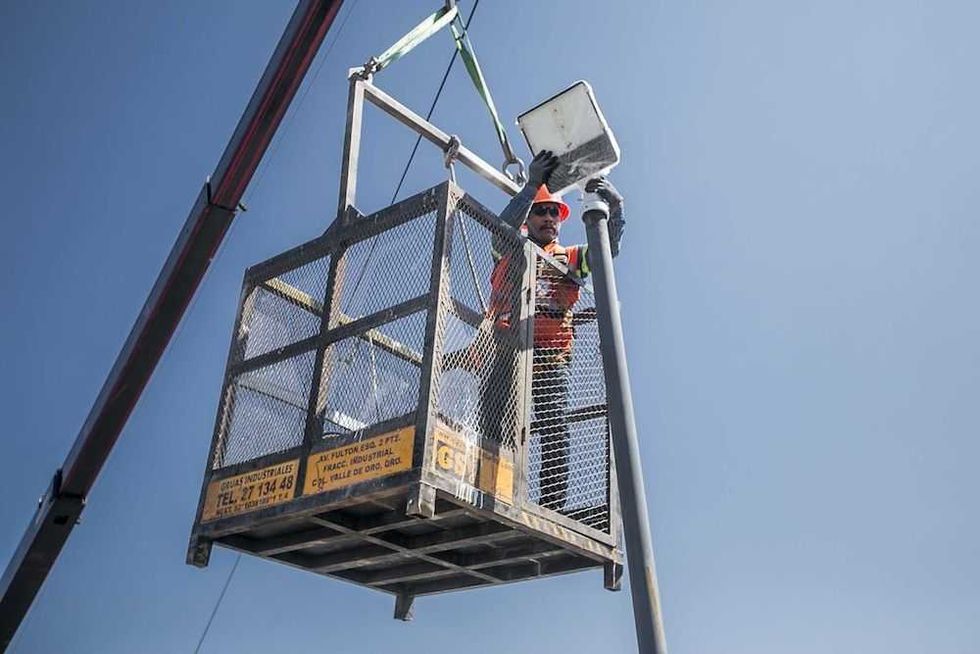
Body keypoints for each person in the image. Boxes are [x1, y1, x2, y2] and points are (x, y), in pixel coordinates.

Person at [478, 150, 625, 512]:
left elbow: (608, 252)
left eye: (553, 214)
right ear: (528, 219)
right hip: (506, 351)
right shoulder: (511, 249)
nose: (548, 218)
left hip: (549, 357)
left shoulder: (571, 259)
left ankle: (551, 506)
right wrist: (531, 185)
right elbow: (499, 232)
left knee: (553, 426)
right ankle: (491, 491)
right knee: (495, 424)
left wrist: (616, 211)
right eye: (541, 212)